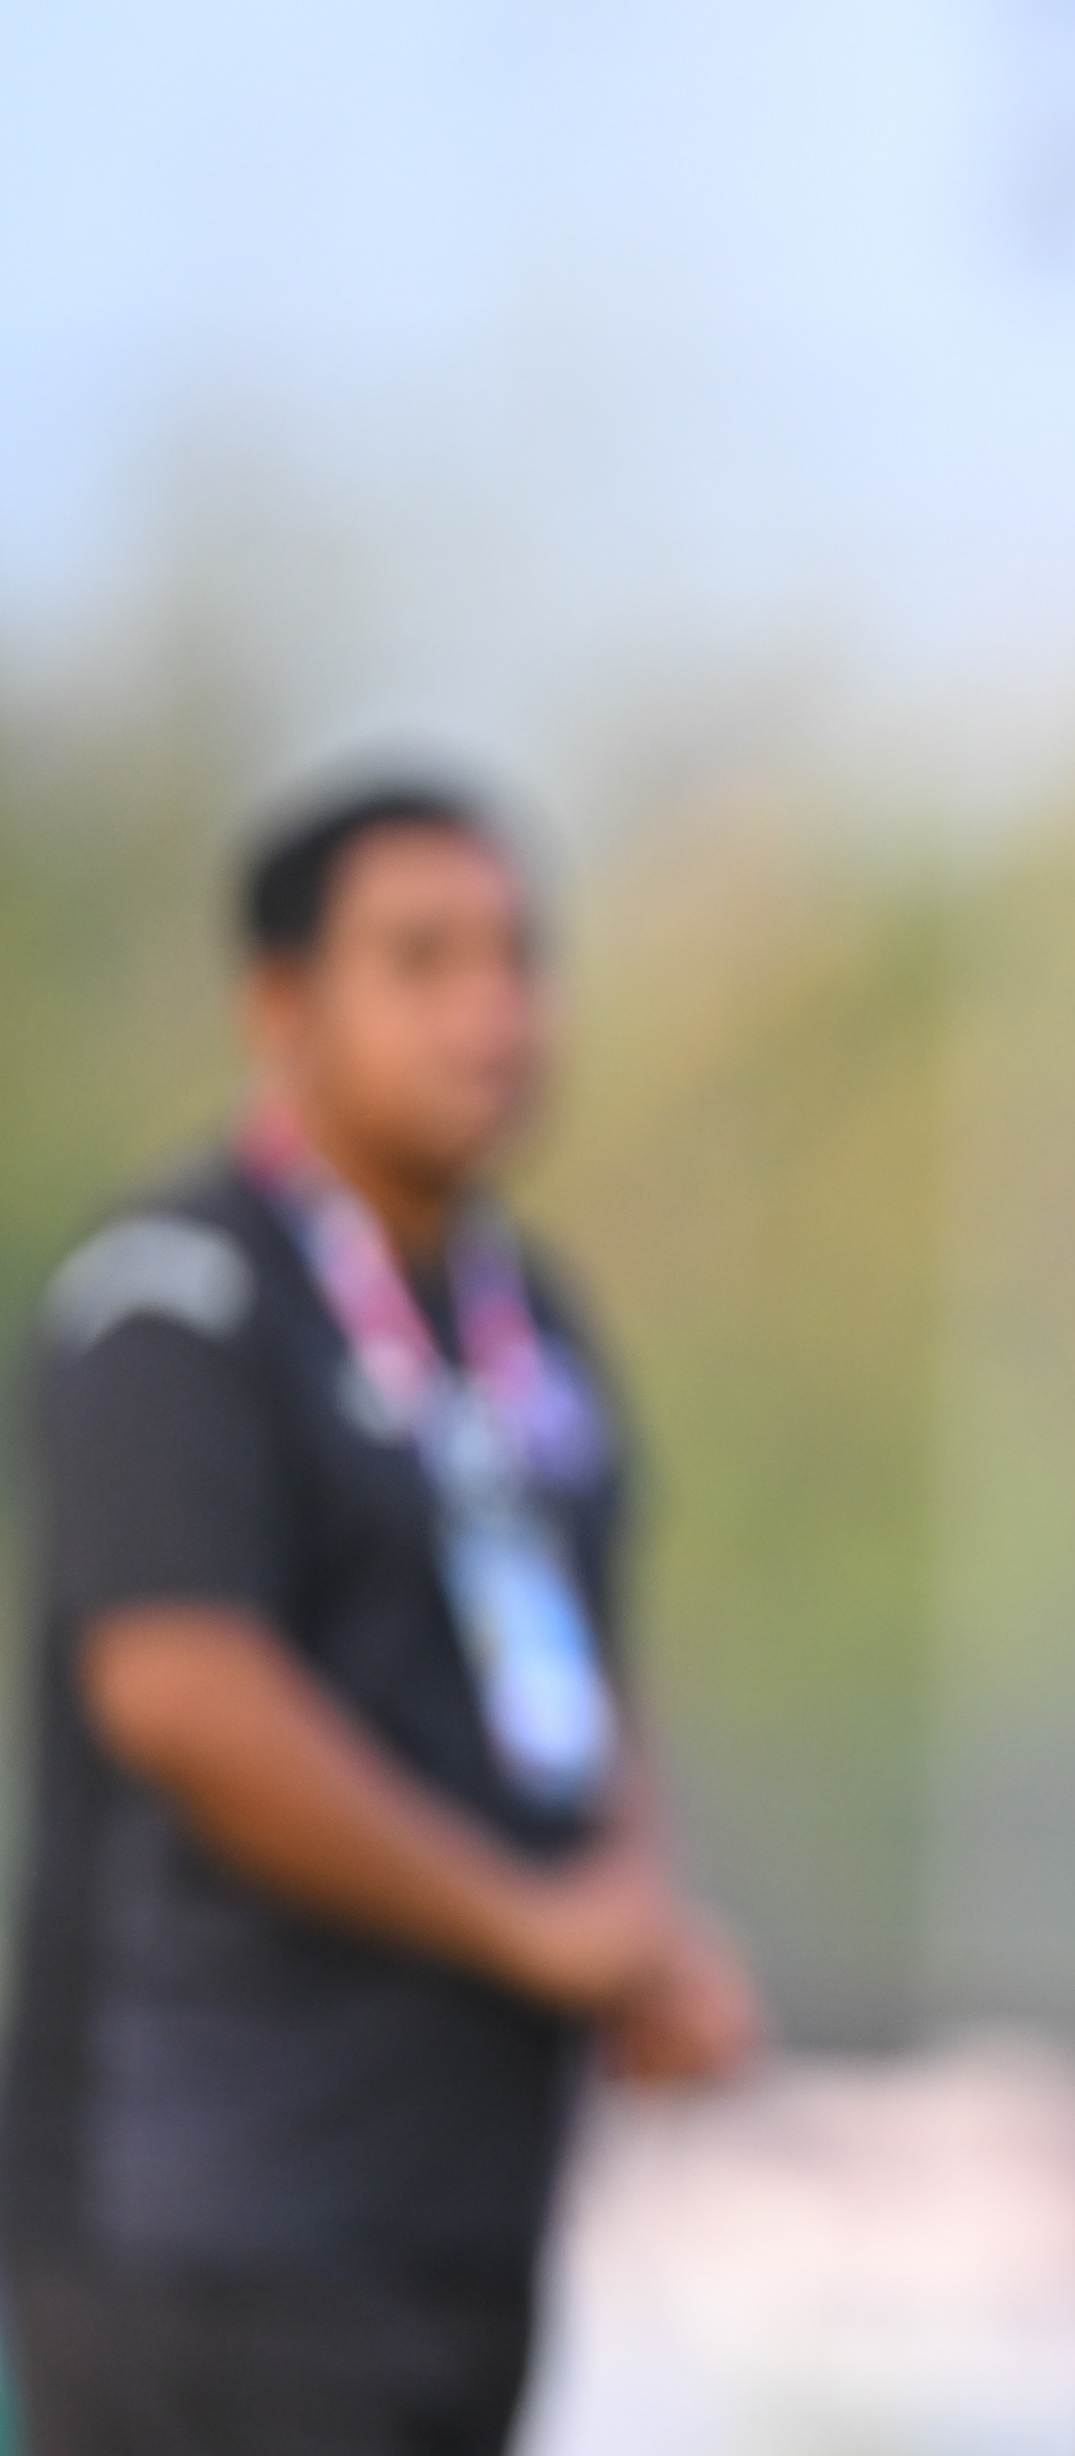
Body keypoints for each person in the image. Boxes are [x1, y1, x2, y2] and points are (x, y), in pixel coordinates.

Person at [4, 777, 762, 2456]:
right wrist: (533, 1926)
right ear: (279, 1004)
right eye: (421, 961)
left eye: (516, 958)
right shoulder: (178, 1298)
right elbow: (182, 1694)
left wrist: (638, 1927)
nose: (491, 1010)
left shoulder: (529, 1317)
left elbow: (589, 1670)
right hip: (211, 2237)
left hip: (462, 2232)